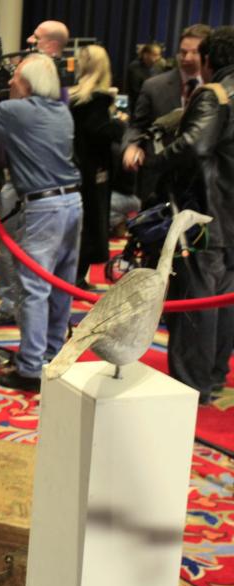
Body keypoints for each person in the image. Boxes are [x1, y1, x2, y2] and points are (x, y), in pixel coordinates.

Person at [0, 54, 82, 392]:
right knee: (60, 284)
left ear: (27, 83)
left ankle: (30, 369)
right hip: (72, 202)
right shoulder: (61, 111)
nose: (10, 82)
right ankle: (52, 356)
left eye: (15, 78)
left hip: (44, 207)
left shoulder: (21, 111)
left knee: (34, 288)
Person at [143, 26, 234, 404]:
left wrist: (155, 163)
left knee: (196, 298)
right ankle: (212, 376)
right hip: (228, 213)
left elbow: (195, 145)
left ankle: (190, 387)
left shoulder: (214, 94)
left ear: (209, 61)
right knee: (224, 298)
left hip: (204, 214)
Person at [122, 24, 212, 199]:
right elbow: (137, 126)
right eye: (183, 52)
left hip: (203, 185)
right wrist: (131, 146)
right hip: (158, 183)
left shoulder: (217, 91)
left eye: (194, 52)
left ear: (207, 55)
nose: (187, 58)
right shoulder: (154, 86)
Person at [68, 45, 120, 288]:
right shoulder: (97, 100)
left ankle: (75, 274)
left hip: (75, 167)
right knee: (93, 223)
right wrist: (120, 126)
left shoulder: (72, 97)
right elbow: (98, 132)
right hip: (94, 169)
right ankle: (79, 275)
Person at [126, 42, 165, 114]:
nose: (158, 58)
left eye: (159, 55)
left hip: (153, 107)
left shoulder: (158, 67)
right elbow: (136, 91)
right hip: (138, 107)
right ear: (146, 55)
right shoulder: (135, 67)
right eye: (155, 55)